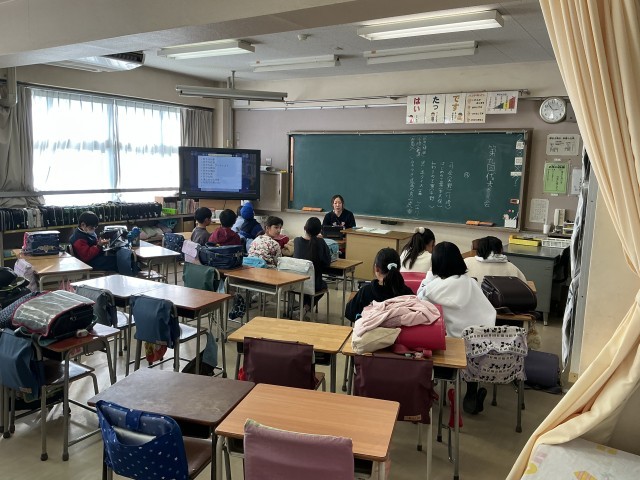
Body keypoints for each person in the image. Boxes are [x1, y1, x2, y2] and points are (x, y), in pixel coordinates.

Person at [417, 241, 496, 415]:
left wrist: (430, 275)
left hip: (451, 348)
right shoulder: (471, 283)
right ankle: (472, 390)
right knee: (470, 348)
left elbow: (420, 299)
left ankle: (430, 386)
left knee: (428, 343)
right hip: (482, 345)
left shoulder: (436, 287)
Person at [345, 247, 413, 322]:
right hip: (398, 329)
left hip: (370, 329)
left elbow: (349, 313)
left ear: (376, 269)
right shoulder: (408, 294)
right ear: (399, 269)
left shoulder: (365, 292)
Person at [69, 211, 137, 275]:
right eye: (92, 228)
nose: (94, 230)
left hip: (94, 258)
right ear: (83, 225)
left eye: (95, 227)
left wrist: (101, 243)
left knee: (119, 257)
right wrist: (98, 246)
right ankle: (128, 276)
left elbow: (94, 243)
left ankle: (131, 274)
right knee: (118, 261)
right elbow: (86, 256)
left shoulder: (86, 232)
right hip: (88, 263)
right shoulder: (79, 239)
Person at [294, 217, 331, 315]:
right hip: (313, 284)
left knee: (307, 282)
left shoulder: (297, 241)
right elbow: (327, 262)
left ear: (304, 228)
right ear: (320, 231)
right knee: (323, 285)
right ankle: (306, 307)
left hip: (295, 282)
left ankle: (303, 307)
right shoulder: (321, 242)